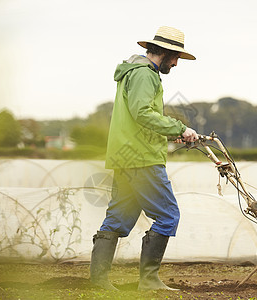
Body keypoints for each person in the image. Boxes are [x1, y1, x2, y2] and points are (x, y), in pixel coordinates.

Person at [90, 26, 199, 291]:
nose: (175, 63)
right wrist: (179, 128)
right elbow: (143, 113)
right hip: (142, 160)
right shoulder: (144, 75)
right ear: (163, 52)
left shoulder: (133, 73)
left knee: (117, 219)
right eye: (175, 57)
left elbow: (139, 120)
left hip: (128, 157)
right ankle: (149, 281)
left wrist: (166, 135)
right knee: (168, 215)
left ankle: (99, 282)